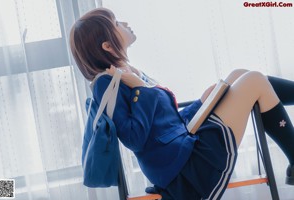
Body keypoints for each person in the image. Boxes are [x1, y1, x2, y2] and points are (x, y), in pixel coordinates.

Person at [70, 8, 294, 200]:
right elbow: (134, 138)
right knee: (253, 79)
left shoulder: (129, 73)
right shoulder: (107, 83)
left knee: (240, 74)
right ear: (108, 46)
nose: (125, 23)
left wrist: (202, 103)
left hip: (183, 148)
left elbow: (166, 125)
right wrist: (140, 88)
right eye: (117, 23)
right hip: (185, 170)